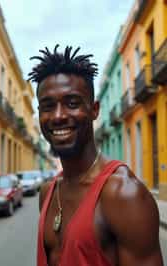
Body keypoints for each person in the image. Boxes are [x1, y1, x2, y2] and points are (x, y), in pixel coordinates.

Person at [28, 45, 163, 266]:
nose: (58, 116)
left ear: (94, 110)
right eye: (48, 106)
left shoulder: (124, 195)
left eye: (72, 103)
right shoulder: (48, 192)